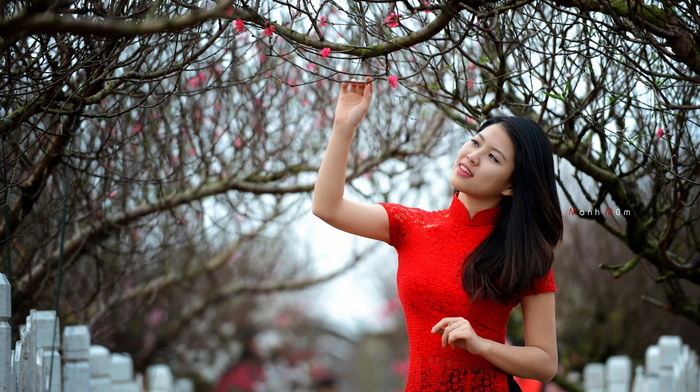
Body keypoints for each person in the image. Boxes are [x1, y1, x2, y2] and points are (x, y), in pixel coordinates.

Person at [312, 77, 562, 391]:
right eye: (475, 142)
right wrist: (343, 126)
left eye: (493, 157)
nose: (473, 155)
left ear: (511, 185)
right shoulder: (410, 225)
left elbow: (545, 363)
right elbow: (327, 207)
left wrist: (481, 344)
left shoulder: (524, 255)